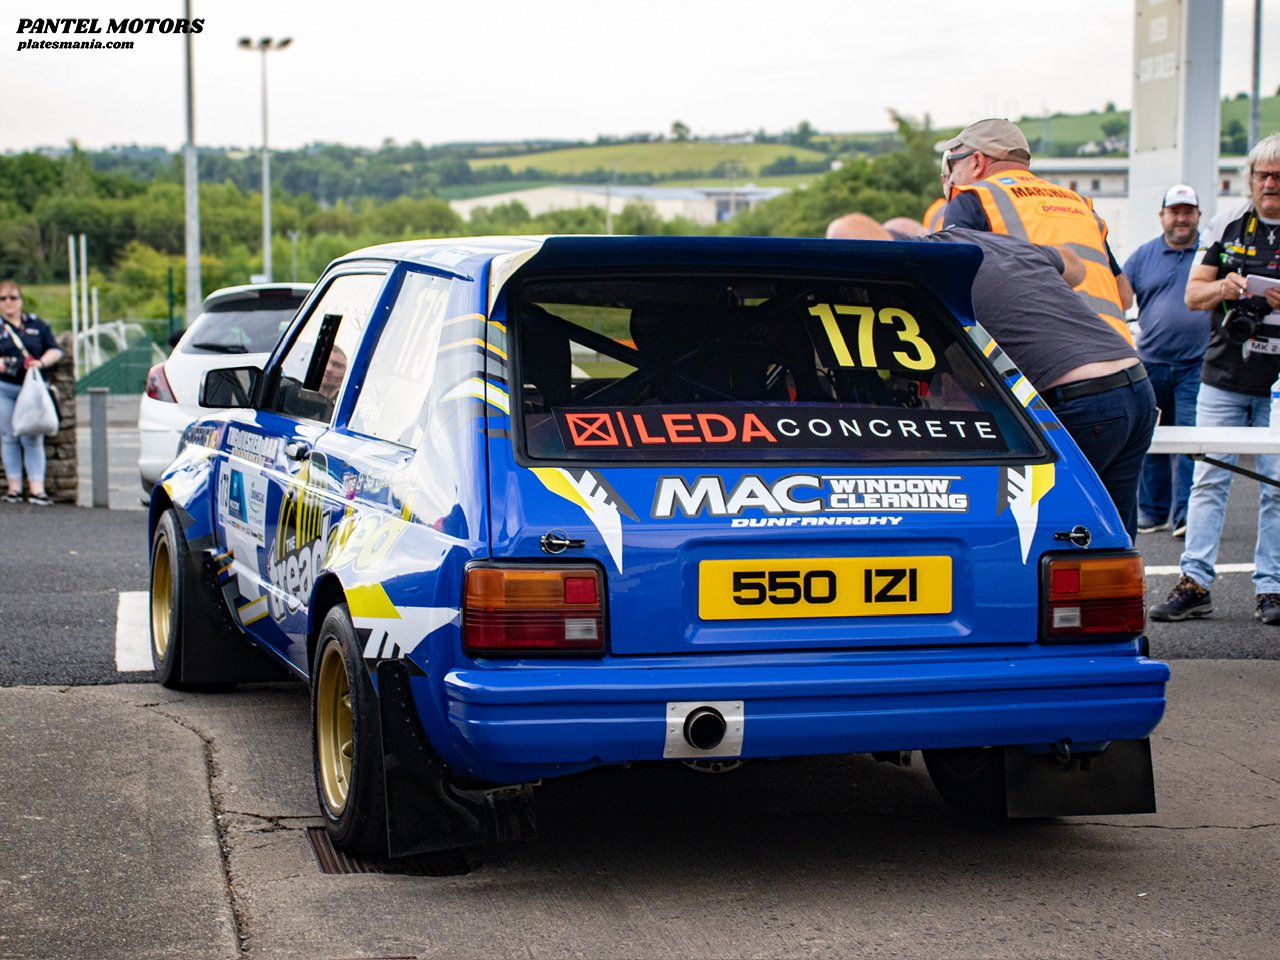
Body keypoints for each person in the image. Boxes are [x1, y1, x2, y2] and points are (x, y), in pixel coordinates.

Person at [826, 213, 1156, 542]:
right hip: (1134, 383)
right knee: (1114, 537)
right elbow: (1075, 266)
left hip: (1077, 399)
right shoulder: (990, 243)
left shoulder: (924, 263)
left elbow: (848, 226)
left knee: (1041, 532)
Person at [1151, 133, 1280, 626]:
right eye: (1262, 175)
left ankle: (1271, 588)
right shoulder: (1227, 223)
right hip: (1224, 373)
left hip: (1278, 383)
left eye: (1278, 176)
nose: (1269, 184)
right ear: (1250, 179)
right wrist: (1225, 286)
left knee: (1276, 487)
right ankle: (1195, 583)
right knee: (1208, 479)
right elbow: (1192, 295)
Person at [938, 118, 1135, 345]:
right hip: (1120, 350)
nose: (951, 176)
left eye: (953, 163)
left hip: (1050, 353)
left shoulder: (973, 199)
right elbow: (1124, 296)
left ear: (976, 162)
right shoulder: (1080, 204)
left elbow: (950, 289)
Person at [1123, 184, 1213, 539]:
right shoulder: (1143, 256)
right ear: (1162, 216)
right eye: (1175, 211)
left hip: (1197, 364)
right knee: (1152, 439)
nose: (1181, 218)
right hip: (1151, 362)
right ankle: (1154, 511)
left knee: (1192, 441)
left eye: (1188, 211)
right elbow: (1120, 297)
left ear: (1198, 216)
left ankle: (1186, 514)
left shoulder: (1210, 254)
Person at [0, 280, 64, 506]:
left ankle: (38, 489)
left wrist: (40, 362)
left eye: (13, 297)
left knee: (33, 435)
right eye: (3, 298)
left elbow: (55, 350)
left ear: (21, 300)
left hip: (32, 389)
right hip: (5, 388)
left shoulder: (37, 325)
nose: (8, 302)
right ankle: (14, 488)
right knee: (9, 436)